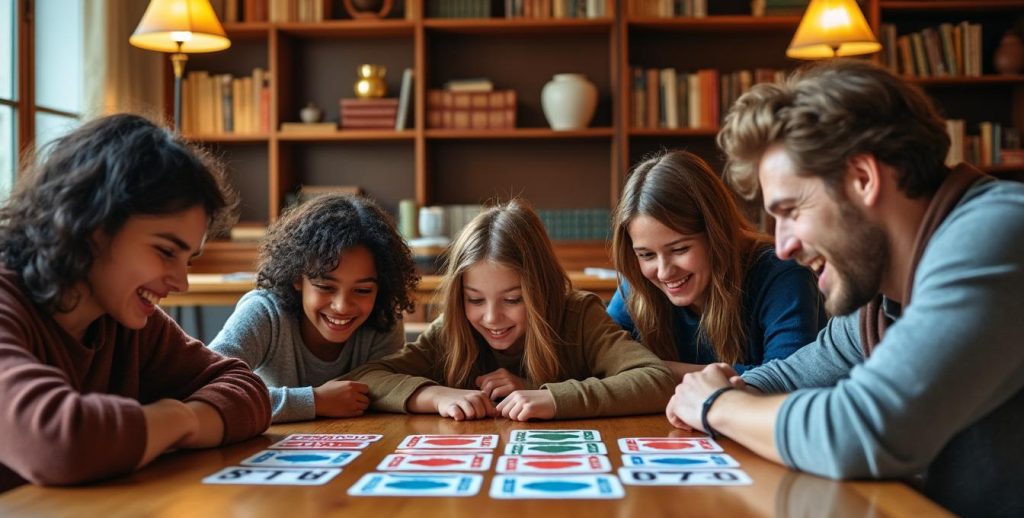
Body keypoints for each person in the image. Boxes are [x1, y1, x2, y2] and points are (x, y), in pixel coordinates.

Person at [666, 59, 1024, 518]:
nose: (783, 246)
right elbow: (791, 374)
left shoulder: (994, 234)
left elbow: (863, 430)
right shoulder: (882, 296)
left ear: (862, 177)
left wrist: (718, 405)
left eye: (792, 210)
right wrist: (719, 386)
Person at [0, 114, 271, 491]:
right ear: (91, 224)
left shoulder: (122, 319)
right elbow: (60, 442)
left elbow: (246, 390)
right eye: (165, 251)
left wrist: (181, 419)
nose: (181, 282)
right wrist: (176, 418)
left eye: (188, 259)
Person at [349, 199, 675, 421]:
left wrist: (550, 396)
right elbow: (364, 379)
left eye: (513, 300)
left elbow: (656, 380)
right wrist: (435, 396)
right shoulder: (454, 327)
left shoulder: (579, 315)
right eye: (475, 300)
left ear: (541, 290)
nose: (491, 318)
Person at [608, 150, 824, 380]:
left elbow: (789, 379)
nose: (663, 272)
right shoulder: (639, 284)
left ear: (717, 235)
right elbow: (600, 357)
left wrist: (656, 372)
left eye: (680, 249)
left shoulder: (782, 273)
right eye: (646, 255)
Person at [209, 194, 419, 423]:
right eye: (325, 287)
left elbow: (387, 396)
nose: (341, 306)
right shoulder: (264, 312)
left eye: (362, 291)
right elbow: (209, 385)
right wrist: (314, 400)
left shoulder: (383, 317)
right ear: (297, 278)